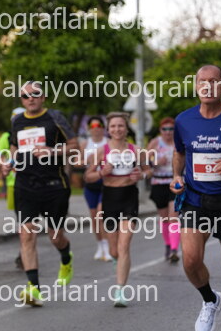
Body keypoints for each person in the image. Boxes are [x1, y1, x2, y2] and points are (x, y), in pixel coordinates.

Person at [170, 65, 221, 331]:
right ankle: (210, 300)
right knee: (190, 259)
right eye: (203, 81)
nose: (208, 86)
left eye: (214, 81)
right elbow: (179, 152)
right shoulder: (184, 120)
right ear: (196, 85)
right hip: (195, 200)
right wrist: (176, 176)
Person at [2, 80, 79, 306]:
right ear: (21, 100)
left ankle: (66, 257)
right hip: (25, 185)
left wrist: (52, 150)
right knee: (26, 235)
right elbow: (15, 147)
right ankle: (34, 287)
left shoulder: (55, 118)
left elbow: (75, 146)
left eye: (35, 94)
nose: (31, 98)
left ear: (43, 97)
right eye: (26, 96)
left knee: (55, 236)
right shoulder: (17, 121)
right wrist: (9, 163)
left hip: (54, 185)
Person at [84, 112, 152, 307]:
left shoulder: (136, 151)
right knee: (114, 250)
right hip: (110, 199)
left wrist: (141, 176)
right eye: (113, 126)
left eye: (120, 126)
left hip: (129, 198)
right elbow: (87, 177)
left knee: (124, 246)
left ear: (126, 128)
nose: (117, 129)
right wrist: (101, 173)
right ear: (108, 129)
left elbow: (149, 170)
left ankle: (120, 290)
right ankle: (116, 259)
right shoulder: (101, 151)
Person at [0, 107, 26, 269]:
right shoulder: (7, 137)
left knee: (27, 221)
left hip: (35, 183)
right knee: (23, 220)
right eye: (14, 119)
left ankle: (25, 251)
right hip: (14, 185)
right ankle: (24, 252)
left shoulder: (34, 134)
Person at [146, 117, 180, 263]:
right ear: (160, 130)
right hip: (158, 183)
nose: (168, 132)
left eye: (171, 129)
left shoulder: (179, 142)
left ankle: (174, 249)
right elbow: (144, 162)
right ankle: (168, 244)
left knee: (174, 217)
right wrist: (156, 162)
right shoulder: (155, 143)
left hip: (175, 183)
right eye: (165, 129)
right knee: (164, 218)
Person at [79, 116, 111, 261]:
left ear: (103, 128)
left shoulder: (108, 143)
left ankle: (107, 247)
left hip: (106, 182)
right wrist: (88, 160)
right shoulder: (85, 144)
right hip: (91, 183)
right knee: (94, 217)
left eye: (99, 126)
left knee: (100, 214)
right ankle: (100, 245)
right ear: (89, 129)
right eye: (93, 126)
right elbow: (76, 162)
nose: (96, 129)